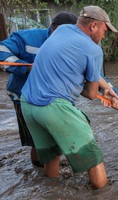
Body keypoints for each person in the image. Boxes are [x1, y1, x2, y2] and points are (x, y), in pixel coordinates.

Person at [20, 5, 118, 189]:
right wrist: (99, 92)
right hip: (53, 107)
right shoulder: (94, 50)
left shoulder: (63, 29)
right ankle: (104, 193)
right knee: (93, 157)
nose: (104, 36)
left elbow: (67, 62)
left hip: (27, 104)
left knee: (52, 157)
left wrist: (106, 88)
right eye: (105, 30)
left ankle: (54, 192)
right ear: (94, 26)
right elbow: (90, 94)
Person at [0, 11, 78, 167]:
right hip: (23, 97)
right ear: (54, 28)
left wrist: (109, 91)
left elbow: (91, 73)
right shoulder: (27, 38)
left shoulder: (74, 44)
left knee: (58, 137)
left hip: (56, 98)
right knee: (36, 140)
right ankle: (39, 172)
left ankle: (49, 170)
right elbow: (1, 51)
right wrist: (28, 68)